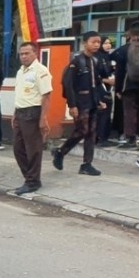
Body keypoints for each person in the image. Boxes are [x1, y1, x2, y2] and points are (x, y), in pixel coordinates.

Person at [53, 31, 109, 176]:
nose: (96, 44)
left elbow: (96, 83)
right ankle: (60, 152)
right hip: (80, 103)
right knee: (82, 131)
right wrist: (72, 105)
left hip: (92, 103)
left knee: (91, 133)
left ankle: (86, 164)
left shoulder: (95, 61)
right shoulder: (76, 62)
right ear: (85, 43)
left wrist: (100, 100)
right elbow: (67, 84)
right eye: (93, 42)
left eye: (98, 42)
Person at [12, 42, 53, 195]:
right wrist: (15, 114)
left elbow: (46, 96)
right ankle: (30, 177)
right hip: (20, 112)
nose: (23, 56)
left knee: (33, 149)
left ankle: (32, 181)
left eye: (27, 53)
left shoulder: (40, 71)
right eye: (21, 54)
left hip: (33, 113)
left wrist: (43, 119)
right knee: (18, 149)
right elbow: (20, 94)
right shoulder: (20, 71)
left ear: (35, 53)